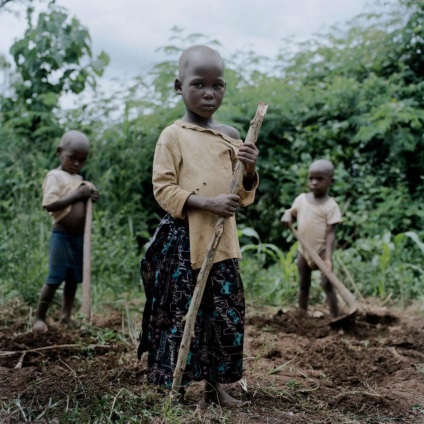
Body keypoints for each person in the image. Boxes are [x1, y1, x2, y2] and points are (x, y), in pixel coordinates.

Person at [137, 45, 259, 408]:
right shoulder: (172, 136)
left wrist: (250, 169)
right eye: (199, 84)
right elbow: (163, 188)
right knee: (181, 316)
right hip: (184, 243)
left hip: (222, 245)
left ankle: (217, 387)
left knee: (224, 315)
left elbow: (242, 194)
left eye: (217, 85)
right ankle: (175, 387)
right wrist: (207, 203)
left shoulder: (232, 135)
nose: (209, 93)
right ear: (179, 86)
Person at [33, 130, 99, 332]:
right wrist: (79, 194)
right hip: (61, 236)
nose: (77, 163)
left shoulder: (79, 178)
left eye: (82, 159)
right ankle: (39, 317)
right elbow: (50, 205)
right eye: (72, 157)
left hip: (78, 238)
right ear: (59, 152)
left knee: (73, 278)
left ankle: (65, 315)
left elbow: (86, 194)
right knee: (55, 277)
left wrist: (91, 194)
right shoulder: (55, 176)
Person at [281, 159, 342, 318]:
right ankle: (302, 315)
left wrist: (328, 258)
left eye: (320, 179)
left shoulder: (331, 206)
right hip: (303, 251)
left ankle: (336, 316)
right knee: (303, 284)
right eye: (311, 178)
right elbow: (291, 213)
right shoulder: (301, 199)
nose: (314, 182)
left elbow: (330, 234)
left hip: (321, 252)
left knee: (327, 284)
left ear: (331, 181)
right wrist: (287, 215)